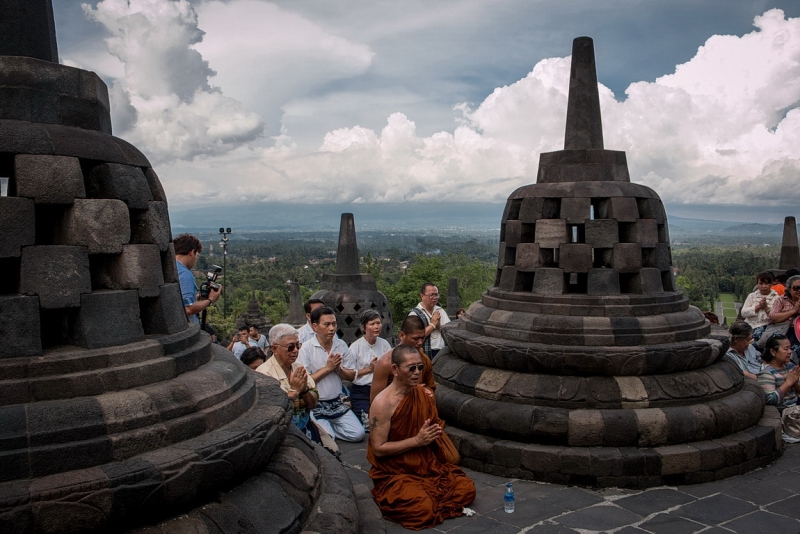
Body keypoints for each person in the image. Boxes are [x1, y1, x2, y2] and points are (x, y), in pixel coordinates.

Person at [368, 344, 475, 530]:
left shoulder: (421, 394)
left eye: (420, 367)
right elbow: (378, 448)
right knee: (422, 510)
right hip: (396, 472)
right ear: (394, 370)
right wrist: (416, 441)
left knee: (466, 489)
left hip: (424, 465)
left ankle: (432, 500)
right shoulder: (382, 404)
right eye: (411, 368)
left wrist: (430, 430)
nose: (417, 373)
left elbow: (432, 427)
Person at [256, 323, 339, 456]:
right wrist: (294, 391)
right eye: (290, 347)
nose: (295, 350)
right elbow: (273, 414)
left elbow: (313, 404)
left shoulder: (299, 368)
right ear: (275, 349)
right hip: (283, 432)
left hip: (305, 424)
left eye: (297, 345)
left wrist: (304, 390)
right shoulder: (264, 374)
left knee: (332, 450)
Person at [298, 307, 365, 442]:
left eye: (334, 324)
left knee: (358, 435)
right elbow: (305, 381)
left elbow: (352, 376)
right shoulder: (306, 348)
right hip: (316, 405)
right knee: (328, 439)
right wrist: (328, 368)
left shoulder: (341, 345)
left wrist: (338, 370)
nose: (332, 328)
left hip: (337, 402)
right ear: (315, 326)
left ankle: (328, 429)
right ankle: (324, 430)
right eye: (327, 324)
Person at [371, 315, 434, 403]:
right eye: (415, 338)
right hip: (394, 410)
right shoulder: (385, 362)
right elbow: (375, 400)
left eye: (422, 338)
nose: (420, 343)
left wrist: (426, 392)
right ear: (401, 335)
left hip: (419, 409)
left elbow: (431, 387)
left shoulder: (424, 359)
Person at [349, 310, 392, 432]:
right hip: (361, 391)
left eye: (378, 323)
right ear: (363, 327)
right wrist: (370, 369)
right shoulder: (355, 347)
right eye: (372, 324)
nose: (376, 327)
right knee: (368, 423)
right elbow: (350, 374)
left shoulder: (384, 344)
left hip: (382, 389)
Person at [174, 234, 221, 324]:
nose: (196, 259)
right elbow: (188, 309)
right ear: (192, 252)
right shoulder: (185, 274)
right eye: (197, 255)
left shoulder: (170, 268)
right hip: (186, 326)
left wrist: (199, 297)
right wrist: (211, 299)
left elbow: (177, 302)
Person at [758, 334, 800, 412]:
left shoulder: (791, 366)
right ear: (773, 351)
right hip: (786, 413)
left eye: (790, 348)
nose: (790, 351)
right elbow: (769, 400)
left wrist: (796, 383)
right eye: (786, 349)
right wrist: (788, 383)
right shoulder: (766, 373)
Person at [408, 283, 450, 359]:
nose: (434, 298)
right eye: (431, 295)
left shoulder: (440, 311)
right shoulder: (414, 313)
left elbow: (449, 332)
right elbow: (415, 337)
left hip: (442, 351)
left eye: (436, 295)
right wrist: (432, 325)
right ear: (422, 296)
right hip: (423, 353)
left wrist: (439, 326)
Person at [768, 274, 800, 360]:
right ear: (789, 289)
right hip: (784, 332)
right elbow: (772, 317)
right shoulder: (781, 300)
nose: (799, 291)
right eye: (796, 288)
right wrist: (793, 311)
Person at [741, 271, 778, 342]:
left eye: (766, 283)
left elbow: (776, 317)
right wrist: (758, 307)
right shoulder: (752, 296)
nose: (764, 286)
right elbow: (743, 313)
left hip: (767, 327)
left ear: (771, 284)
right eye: (761, 283)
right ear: (757, 284)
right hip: (749, 326)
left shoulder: (777, 298)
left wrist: (766, 307)